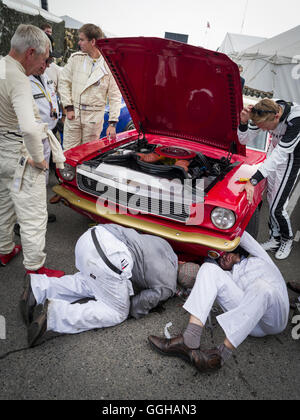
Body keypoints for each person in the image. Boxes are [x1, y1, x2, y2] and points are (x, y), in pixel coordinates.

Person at [148, 231, 289, 373]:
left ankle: (221, 355)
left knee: (262, 287)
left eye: (225, 252)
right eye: (219, 259)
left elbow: (241, 232)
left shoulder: (260, 258)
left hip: (275, 317)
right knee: (208, 269)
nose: (222, 257)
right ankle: (189, 339)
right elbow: (209, 274)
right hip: (251, 324)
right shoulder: (228, 275)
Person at [20, 224, 178, 347]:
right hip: (109, 257)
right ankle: (55, 315)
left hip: (92, 236)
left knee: (91, 281)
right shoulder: (169, 285)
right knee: (117, 312)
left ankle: (38, 287)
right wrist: (128, 307)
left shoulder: (165, 246)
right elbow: (142, 303)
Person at [0, 24, 65, 277]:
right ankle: (36, 270)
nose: (45, 64)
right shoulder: (19, 79)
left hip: (1, 148)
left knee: (4, 204)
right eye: (44, 58)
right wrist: (39, 160)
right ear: (30, 53)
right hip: (19, 152)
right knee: (33, 215)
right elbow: (28, 128)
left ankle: (5, 249)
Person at [238, 98, 300, 260]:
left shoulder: (296, 119)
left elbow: (281, 155)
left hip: (290, 161)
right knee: (271, 200)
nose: (264, 131)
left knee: (276, 207)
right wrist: (243, 123)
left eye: (265, 128)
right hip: (274, 156)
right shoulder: (264, 109)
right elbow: (243, 140)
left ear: (277, 117)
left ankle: (287, 239)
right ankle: (275, 238)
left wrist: (253, 180)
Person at [59, 23, 122, 151]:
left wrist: (113, 123)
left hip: (94, 118)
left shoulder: (109, 64)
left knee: (88, 153)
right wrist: (68, 107)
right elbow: (63, 82)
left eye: (82, 40)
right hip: (74, 113)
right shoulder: (75, 59)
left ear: (93, 41)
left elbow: (115, 95)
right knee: (68, 153)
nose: (79, 43)